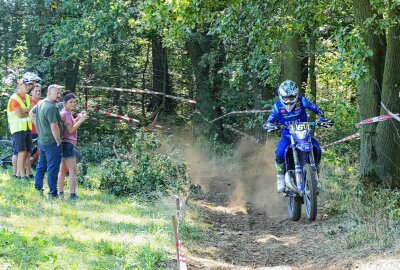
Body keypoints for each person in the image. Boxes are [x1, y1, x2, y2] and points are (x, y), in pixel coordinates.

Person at [263, 80, 333, 192]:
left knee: (317, 148)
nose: (289, 101)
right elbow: (269, 120)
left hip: (304, 133)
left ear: (296, 96)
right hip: (287, 135)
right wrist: (270, 125)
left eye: (291, 97)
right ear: (281, 96)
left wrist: (322, 119)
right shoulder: (277, 106)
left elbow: (317, 109)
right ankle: (280, 177)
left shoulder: (302, 101)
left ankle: (316, 175)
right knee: (280, 152)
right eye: (286, 98)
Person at [30, 84, 63, 197]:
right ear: (49, 93)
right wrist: (58, 141)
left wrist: (40, 128)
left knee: (41, 165)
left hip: (42, 141)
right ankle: (53, 193)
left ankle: (38, 187)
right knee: (52, 168)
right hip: (51, 142)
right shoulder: (51, 107)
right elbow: (54, 127)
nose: (59, 95)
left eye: (59, 93)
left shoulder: (41, 102)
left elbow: (31, 114)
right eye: (57, 93)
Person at [7, 72, 41, 179]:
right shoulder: (14, 98)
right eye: (28, 85)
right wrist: (26, 111)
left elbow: (31, 111)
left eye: (30, 85)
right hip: (17, 129)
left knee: (27, 152)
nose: (29, 87)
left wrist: (25, 111)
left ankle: (28, 173)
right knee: (21, 152)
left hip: (27, 128)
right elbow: (19, 114)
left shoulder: (28, 97)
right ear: (21, 85)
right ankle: (20, 175)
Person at [57, 92, 88, 200]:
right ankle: (72, 195)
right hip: (68, 144)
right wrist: (81, 121)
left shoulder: (66, 112)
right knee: (73, 171)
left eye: (74, 102)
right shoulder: (66, 113)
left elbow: (70, 124)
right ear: (64, 103)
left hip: (64, 144)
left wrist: (78, 118)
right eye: (70, 102)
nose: (73, 104)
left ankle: (60, 193)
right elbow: (70, 130)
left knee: (63, 170)